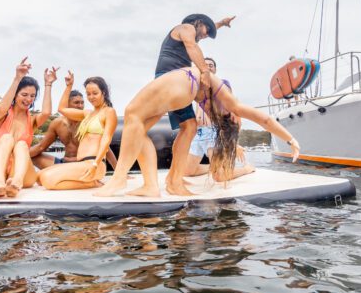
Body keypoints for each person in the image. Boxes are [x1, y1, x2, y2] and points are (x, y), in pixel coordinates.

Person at [94, 65, 300, 198]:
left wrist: (291, 139)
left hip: (185, 86)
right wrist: (290, 140)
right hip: (185, 91)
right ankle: (149, 186)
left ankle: (119, 179)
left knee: (132, 113)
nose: (239, 118)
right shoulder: (223, 108)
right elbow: (261, 120)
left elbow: (264, 119)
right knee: (137, 128)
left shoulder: (229, 103)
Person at [154, 13, 236, 196]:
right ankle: (174, 182)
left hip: (175, 81)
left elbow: (202, 34)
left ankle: (172, 178)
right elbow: (192, 44)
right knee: (190, 126)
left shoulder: (189, 31)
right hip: (172, 80)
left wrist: (221, 23)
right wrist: (205, 71)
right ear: (198, 23)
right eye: (207, 31)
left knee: (187, 127)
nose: (206, 36)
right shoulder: (186, 28)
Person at [0, 58, 57, 199]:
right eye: (24, 95)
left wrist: (48, 84)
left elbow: (47, 113)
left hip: (20, 176)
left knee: (22, 144)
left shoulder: (32, 120)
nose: (29, 99)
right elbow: (3, 107)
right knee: (6, 138)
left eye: (32, 96)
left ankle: (16, 183)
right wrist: (17, 78)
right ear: (15, 95)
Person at [38, 72, 118, 190]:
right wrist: (69, 86)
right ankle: (91, 182)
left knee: (47, 179)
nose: (91, 97)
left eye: (95, 93)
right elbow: (62, 109)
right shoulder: (87, 114)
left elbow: (106, 140)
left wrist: (95, 164)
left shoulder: (109, 112)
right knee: (39, 177)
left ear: (104, 93)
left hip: (93, 164)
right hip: (81, 164)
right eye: (88, 94)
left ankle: (93, 183)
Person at [184, 57, 255, 182]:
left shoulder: (222, 85)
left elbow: (233, 111)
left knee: (219, 177)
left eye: (211, 65)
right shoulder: (197, 87)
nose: (208, 66)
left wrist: (233, 142)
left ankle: (247, 169)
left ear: (215, 69)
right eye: (205, 64)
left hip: (213, 133)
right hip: (199, 134)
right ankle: (212, 167)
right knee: (188, 171)